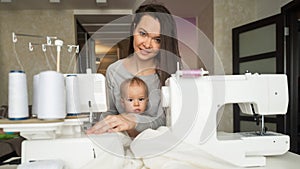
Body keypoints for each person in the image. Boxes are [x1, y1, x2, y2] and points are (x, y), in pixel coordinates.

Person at [86, 3, 181, 137]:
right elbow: (109, 113)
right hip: (123, 144)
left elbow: (167, 120)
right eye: (143, 34)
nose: (147, 44)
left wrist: (133, 121)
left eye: (157, 39)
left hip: (158, 144)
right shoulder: (114, 71)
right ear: (134, 29)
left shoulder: (169, 74)